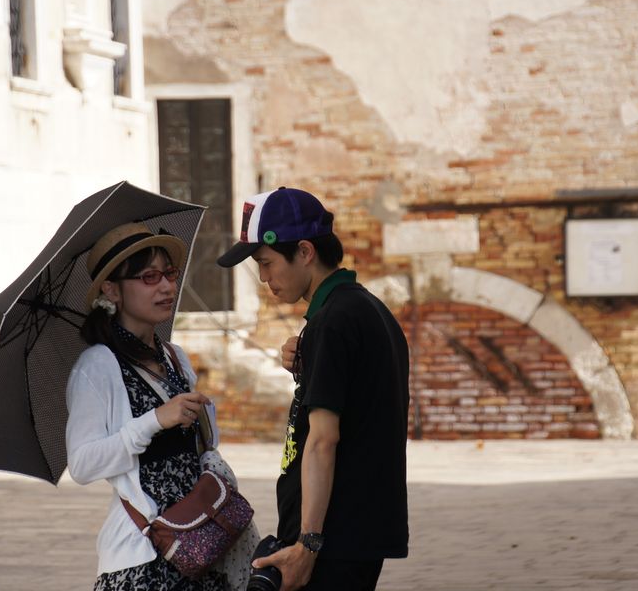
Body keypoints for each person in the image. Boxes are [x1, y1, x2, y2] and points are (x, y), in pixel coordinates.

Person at [217, 188, 410, 591]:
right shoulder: (364, 309)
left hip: (333, 539)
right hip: (356, 531)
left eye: (267, 264)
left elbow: (323, 440)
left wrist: (307, 544)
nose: (265, 279)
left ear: (305, 251)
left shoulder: (333, 323)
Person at [66, 222, 254, 591]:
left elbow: (201, 447)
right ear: (111, 290)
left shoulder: (174, 358)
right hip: (143, 559)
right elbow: (83, 464)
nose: (167, 286)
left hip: (201, 547)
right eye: (149, 277)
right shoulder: (98, 365)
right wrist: (153, 420)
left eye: (169, 274)